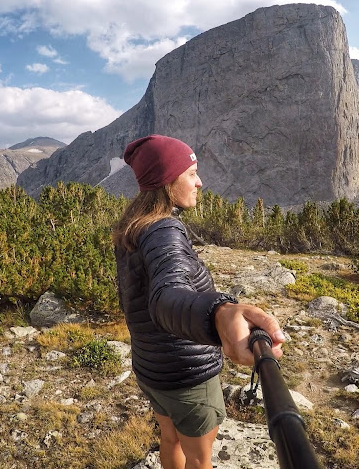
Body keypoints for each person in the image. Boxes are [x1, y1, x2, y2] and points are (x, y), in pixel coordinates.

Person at [113, 134, 284, 469]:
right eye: (191, 173)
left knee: (169, 438)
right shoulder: (164, 230)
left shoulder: (133, 226)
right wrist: (218, 314)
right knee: (200, 457)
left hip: (151, 366)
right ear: (167, 180)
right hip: (187, 372)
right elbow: (166, 296)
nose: (199, 182)